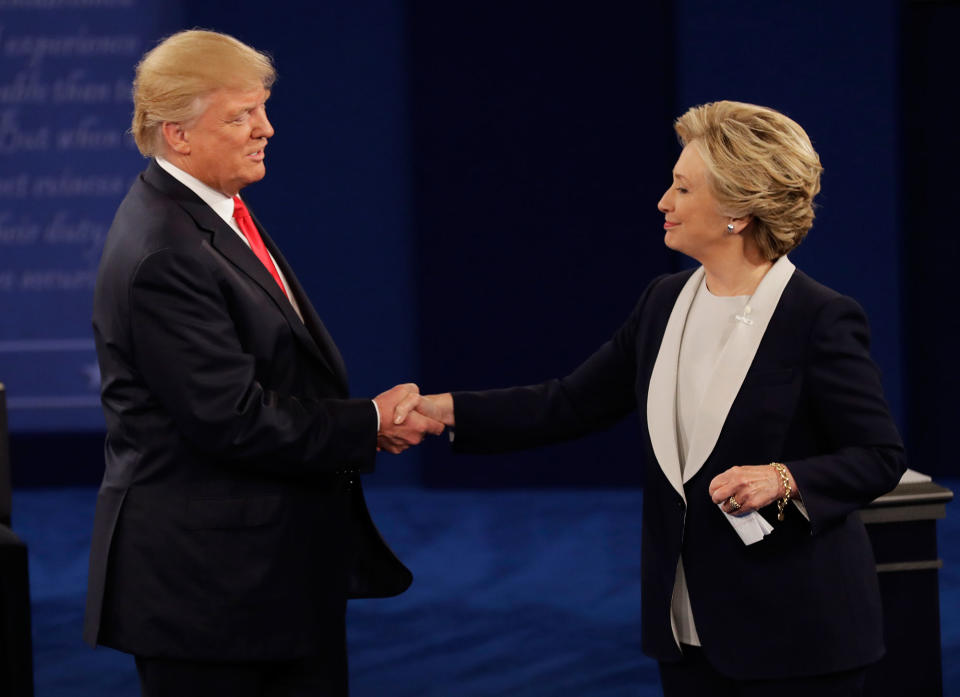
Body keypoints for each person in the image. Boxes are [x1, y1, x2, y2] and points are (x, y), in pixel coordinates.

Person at [397, 101, 906, 695]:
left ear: (738, 210)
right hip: (687, 631)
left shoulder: (818, 317)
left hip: (798, 636)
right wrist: (447, 410)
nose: (664, 202)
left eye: (683, 188)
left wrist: (782, 478)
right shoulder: (663, 301)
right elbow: (570, 403)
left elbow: (878, 455)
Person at [83, 29, 442, 697]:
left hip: (261, 583)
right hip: (211, 596)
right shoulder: (165, 250)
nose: (266, 129)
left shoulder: (208, 214)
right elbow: (232, 419)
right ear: (178, 135)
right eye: (242, 115)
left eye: (263, 108)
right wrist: (366, 422)